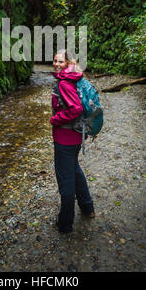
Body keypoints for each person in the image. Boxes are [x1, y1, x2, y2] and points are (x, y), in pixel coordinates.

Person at [50, 49, 95, 233]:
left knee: (65, 180)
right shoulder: (75, 78)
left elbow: (75, 109)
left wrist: (55, 119)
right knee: (75, 170)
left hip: (65, 139)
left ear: (68, 63)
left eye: (60, 61)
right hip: (76, 136)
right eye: (55, 61)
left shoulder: (64, 84)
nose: (56, 64)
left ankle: (65, 224)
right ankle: (87, 207)